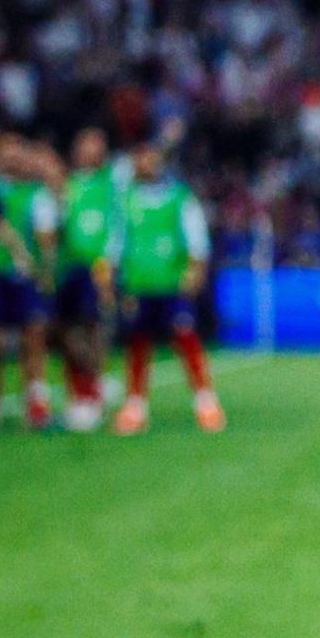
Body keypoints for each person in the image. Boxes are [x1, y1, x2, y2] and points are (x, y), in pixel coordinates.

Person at [109, 133, 225, 437]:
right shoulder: (125, 198)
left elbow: (197, 236)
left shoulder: (178, 196)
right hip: (138, 283)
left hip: (172, 282)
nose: (145, 163)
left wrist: (195, 269)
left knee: (185, 337)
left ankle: (205, 401)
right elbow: (116, 241)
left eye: (150, 156)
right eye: (140, 157)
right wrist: (110, 273)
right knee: (137, 342)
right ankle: (135, 406)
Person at [0, 134, 65, 430]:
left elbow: (47, 237)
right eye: (5, 152)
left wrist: (44, 271)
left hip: (28, 276)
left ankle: (36, 399)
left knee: (34, 336)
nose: (12, 157)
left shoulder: (37, 193)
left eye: (17, 151)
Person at [55, 124, 123, 430]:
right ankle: (77, 392)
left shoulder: (112, 183)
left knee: (94, 329)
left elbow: (118, 225)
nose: (90, 150)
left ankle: (90, 394)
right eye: (86, 143)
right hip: (68, 268)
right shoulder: (67, 185)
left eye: (96, 144)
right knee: (67, 332)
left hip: (99, 267)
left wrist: (111, 264)